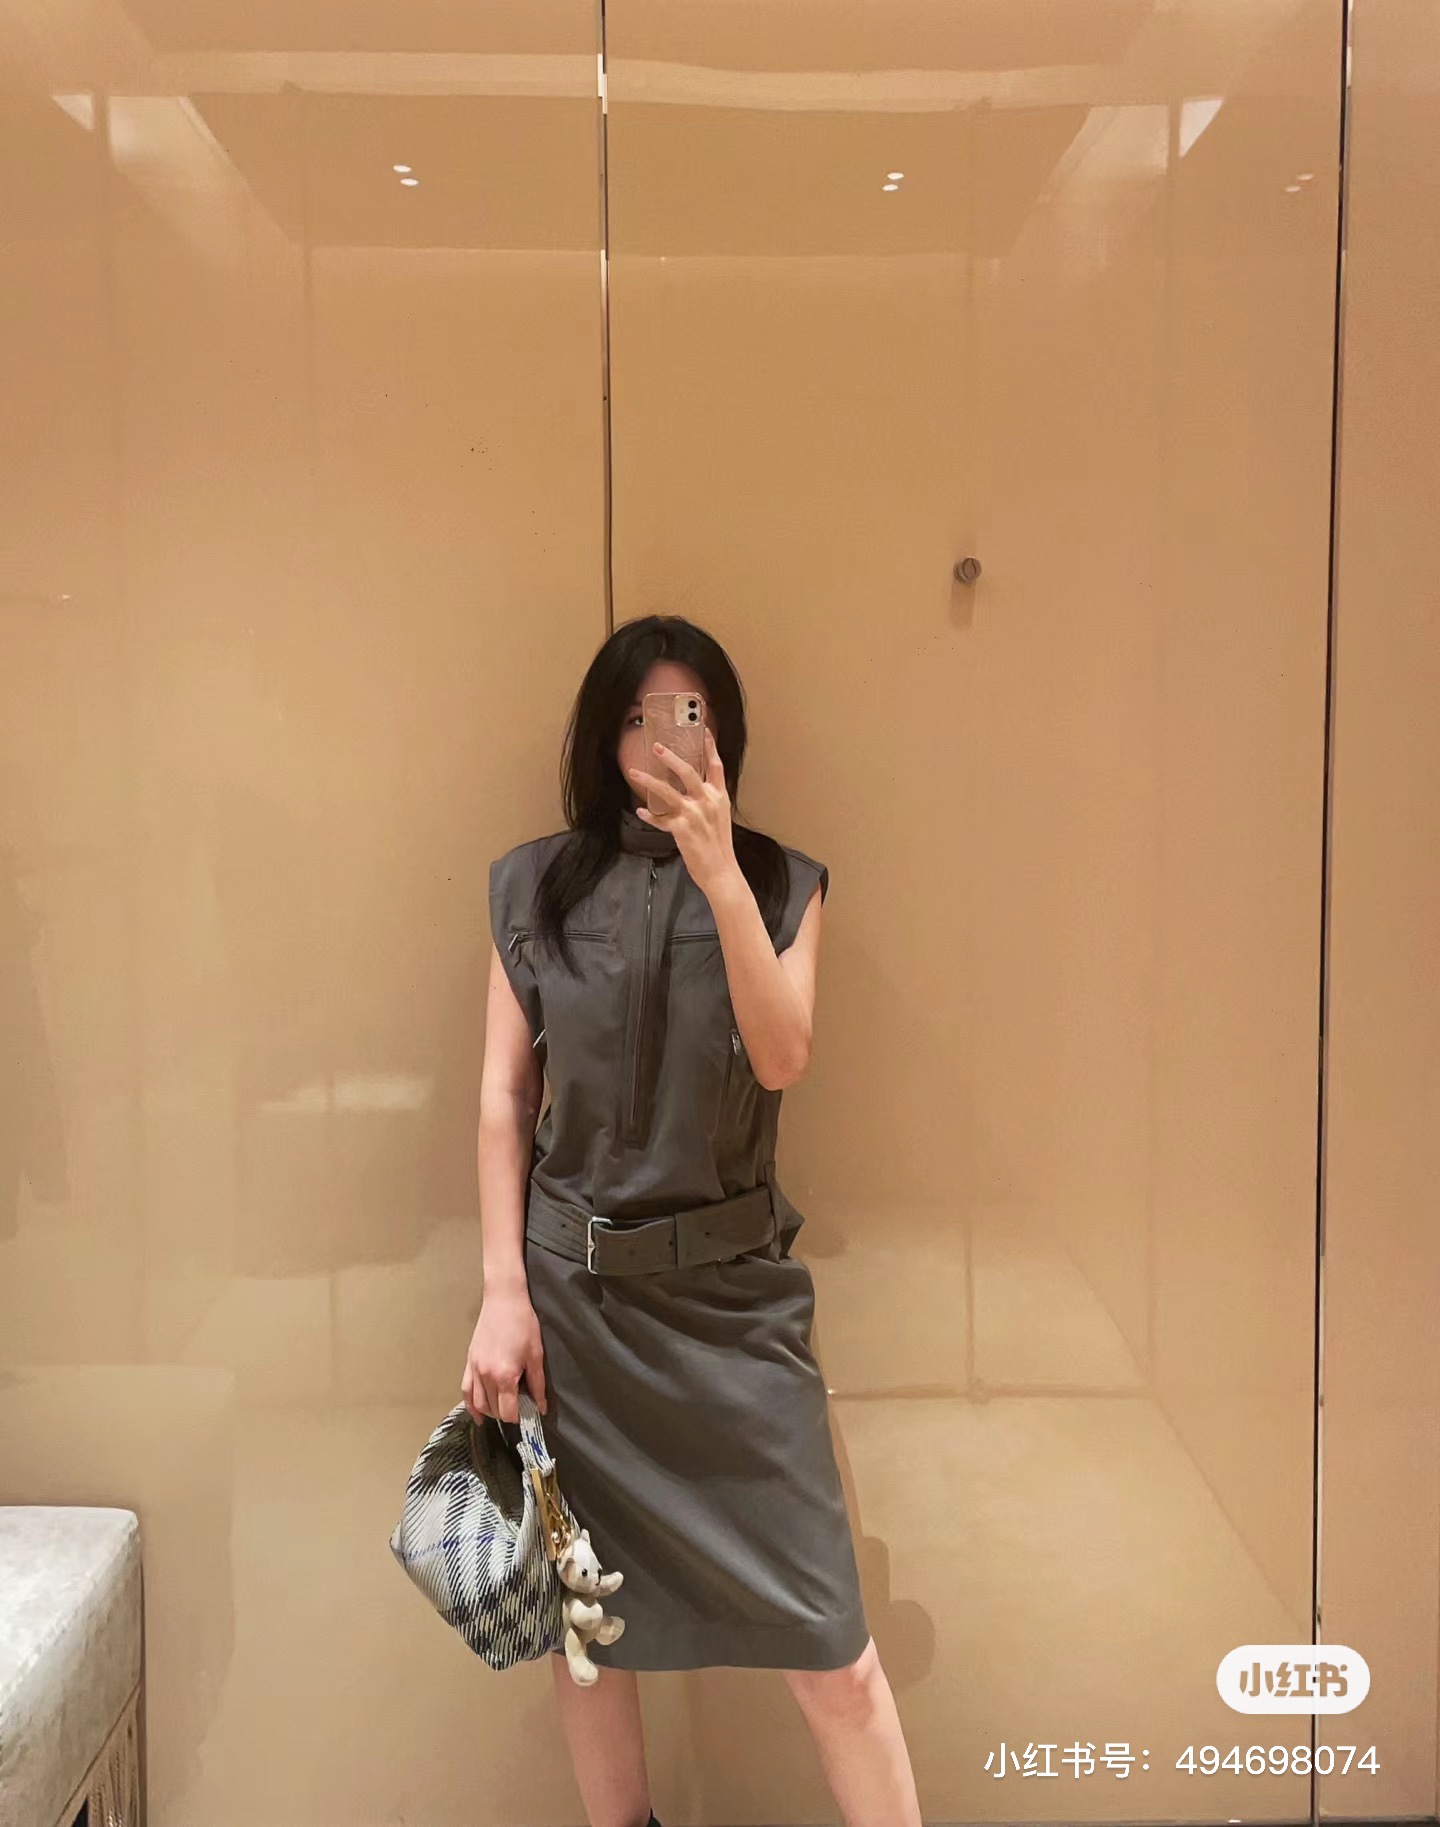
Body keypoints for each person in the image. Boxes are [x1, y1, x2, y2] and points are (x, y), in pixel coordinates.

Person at [461, 615, 923, 1827]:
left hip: (735, 1312)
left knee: (837, 1658)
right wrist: (504, 1293)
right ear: (598, 734)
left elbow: (784, 1056)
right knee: (585, 1627)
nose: (659, 740)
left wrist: (719, 873)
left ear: (725, 732)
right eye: (634, 717)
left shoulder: (782, 883)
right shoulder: (533, 885)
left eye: (686, 714)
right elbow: (505, 1096)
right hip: (576, 1313)